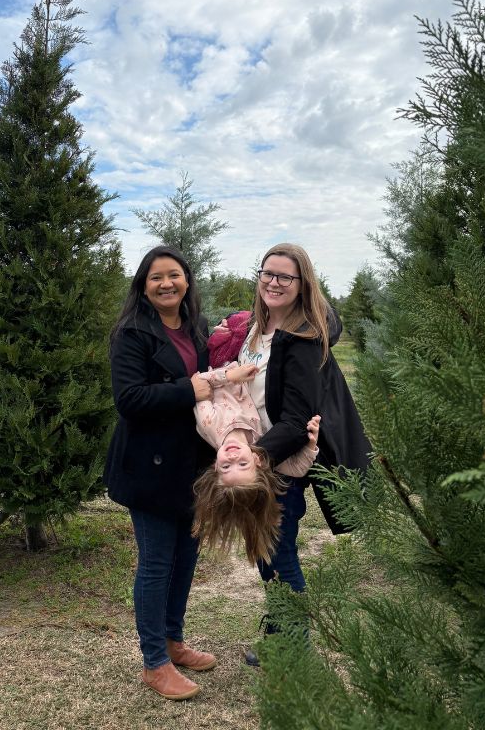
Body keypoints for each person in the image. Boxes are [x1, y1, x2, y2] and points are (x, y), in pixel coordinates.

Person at [236, 242, 372, 665]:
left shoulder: (302, 340)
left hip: (276, 466)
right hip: (253, 460)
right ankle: (281, 635)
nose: (273, 282)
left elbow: (297, 420)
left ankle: (291, 647)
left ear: (301, 284)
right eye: (267, 273)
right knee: (265, 552)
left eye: (285, 276)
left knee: (280, 554)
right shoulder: (258, 330)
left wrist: (255, 456)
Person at [103, 246, 216, 701]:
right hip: (148, 465)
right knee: (156, 563)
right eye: (156, 278)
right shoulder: (131, 333)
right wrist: (186, 389)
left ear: (187, 280)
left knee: (186, 559)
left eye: (174, 275)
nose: (166, 284)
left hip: (190, 463)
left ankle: (173, 640)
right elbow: (129, 400)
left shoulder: (196, 328)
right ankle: (154, 662)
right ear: (143, 286)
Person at [191, 360, 320, 564]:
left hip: (224, 366)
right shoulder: (259, 445)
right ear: (257, 462)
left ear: (215, 466)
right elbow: (297, 469)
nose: (233, 458)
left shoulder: (209, 424)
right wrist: (311, 445)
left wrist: (231, 376)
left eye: (226, 466)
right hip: (245, 369)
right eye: (242, 465)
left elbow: (198, 383)